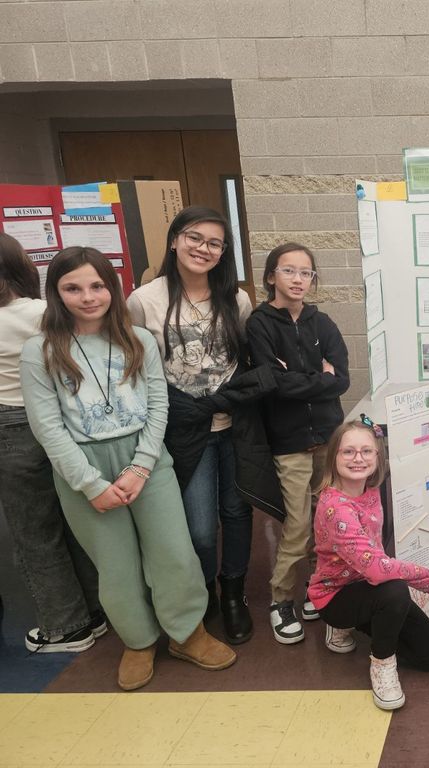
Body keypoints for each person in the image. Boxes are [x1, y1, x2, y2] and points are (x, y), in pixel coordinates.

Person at [20, 247, 236, 690]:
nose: (87, 296)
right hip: (84, 466)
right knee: (116, 563)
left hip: (146, 459)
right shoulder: (39, 350)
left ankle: (187, 632)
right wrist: (89, 483)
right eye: (73, 288)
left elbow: (159, 405)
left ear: (112, 289)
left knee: (174, 551)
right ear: (56, 294)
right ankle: (138, 640)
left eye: (97, 286)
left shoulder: (136, 339)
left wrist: (141, 467)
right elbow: (47, 427)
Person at [127, 206, 269, 645]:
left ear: (224, 252)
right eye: (194, 237)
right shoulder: (144, 299)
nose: (202, 248)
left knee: (237, 511)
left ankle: (233, 594)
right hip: (183, 429)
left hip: (234, 423)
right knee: (201, 525)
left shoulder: (237, 298)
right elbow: (136, 367)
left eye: (214, 243)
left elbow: (248, 357)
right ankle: (203, 589)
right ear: (174, 240)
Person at [0, 233, 106, 653]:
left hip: (11, 426)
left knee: (34, 530)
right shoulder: (44, 312)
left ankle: (66, 626)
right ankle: (96, 610)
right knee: (73, 519)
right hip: (62, 421)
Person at [246, 242, 350, 644]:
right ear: (272, 276)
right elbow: (273, 384)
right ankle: (280, 599)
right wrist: (318, 378)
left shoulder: (321, 322)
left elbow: (341, 378)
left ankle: (315, 587)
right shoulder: (260, 323)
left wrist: (307, 378)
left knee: (326, 521)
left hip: (328, 437)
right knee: (298, 523)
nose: (298, 280)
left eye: (306, 273)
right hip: (288, 442)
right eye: (289, 271)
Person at [308, 418, 429, 711]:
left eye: (366, 451)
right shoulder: (335, 508)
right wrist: (423, 575)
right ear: (334, 457)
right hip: (337, 595)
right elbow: (375, 568)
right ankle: (381, 663)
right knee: (395, 589)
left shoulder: (371, 492)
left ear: (377, 457)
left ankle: (371, 619)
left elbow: (375, 552)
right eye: (348, 452)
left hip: (370, 589)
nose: (358, 458)